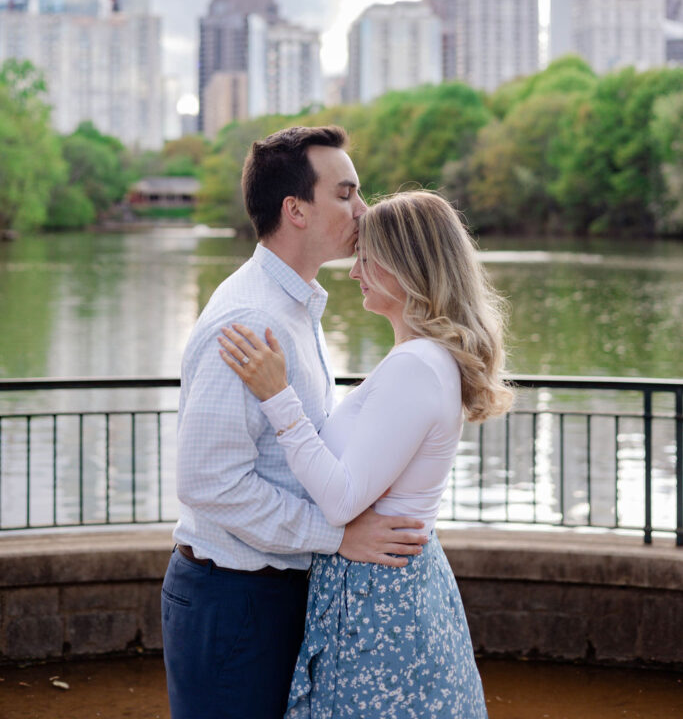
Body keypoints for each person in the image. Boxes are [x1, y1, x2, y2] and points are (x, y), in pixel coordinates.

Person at [161, 126, 428, 719]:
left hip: (268, 592)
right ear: (296, 210)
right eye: (346, 194)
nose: (363, 209)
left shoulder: (292, 306)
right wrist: (338, 537)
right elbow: (208, 482)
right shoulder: (253, 318)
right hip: (235, 598)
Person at [219, 189, 514, 718]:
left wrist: (278, 396)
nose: (355, 271)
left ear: (406, 267)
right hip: (384, 588)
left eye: (368, 258)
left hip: (382, 600)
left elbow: (342, 500)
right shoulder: (418, 358)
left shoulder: (417, 366)